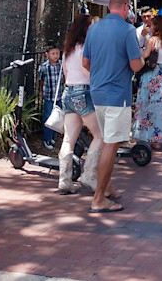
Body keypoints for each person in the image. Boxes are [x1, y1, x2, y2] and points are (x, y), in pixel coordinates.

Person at [82, 0, 144, 213]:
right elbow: (136, 66)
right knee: (111, 143)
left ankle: (106, 187)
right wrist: (144, 56)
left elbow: (86, 62)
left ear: (109, 6)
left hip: (98, 92)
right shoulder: (127, 30)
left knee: (106, 138)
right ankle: (98, 198)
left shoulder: (94, 28)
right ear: (126, 7)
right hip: (118, 95)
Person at [57, 16, 107, 194]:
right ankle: (89, 175)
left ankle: (64, 180)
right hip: (85, 91)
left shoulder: (68, 50)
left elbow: (65, 72)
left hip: (69, 92)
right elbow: (91, 72)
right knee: (100, 135)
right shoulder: (87, 48)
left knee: (68, 139)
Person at [132, 15, 162, 149]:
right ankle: (158, 139)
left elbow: (144, 55)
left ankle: (143, 135)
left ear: (156, 26)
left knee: (146, 106)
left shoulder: (152, 41)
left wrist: (141, 38)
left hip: (152, 76)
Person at [37, 46, 63, 150]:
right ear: (47, 54)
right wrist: (42, 92)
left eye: (57, 53)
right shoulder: (44, 67)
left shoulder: (61, 65)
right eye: (53, 53)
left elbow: (63, 78)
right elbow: (41, 80)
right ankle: (46, 139)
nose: (55, 56)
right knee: (48, 117)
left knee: (57, 116)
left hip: (59, 95)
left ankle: (53, 136)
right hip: (49, 95)